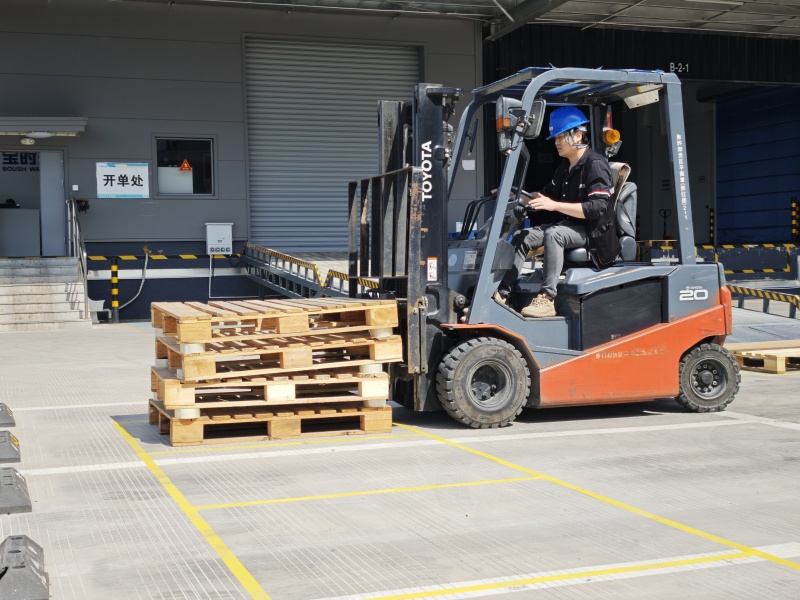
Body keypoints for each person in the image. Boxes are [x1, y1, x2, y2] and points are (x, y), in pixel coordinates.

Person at [495, 106, 614, 318]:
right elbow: (545, 195)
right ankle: (502, 293)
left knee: (554, 234)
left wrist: (555, 205)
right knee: (523, 236)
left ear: (577, 135)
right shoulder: (565, 167)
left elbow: (597, 208)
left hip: (593, 232)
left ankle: (547, 298)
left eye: (560, 137)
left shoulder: (595, 165)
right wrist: (516, 195)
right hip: (570, 226)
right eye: (555, 138)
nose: (556, 142)